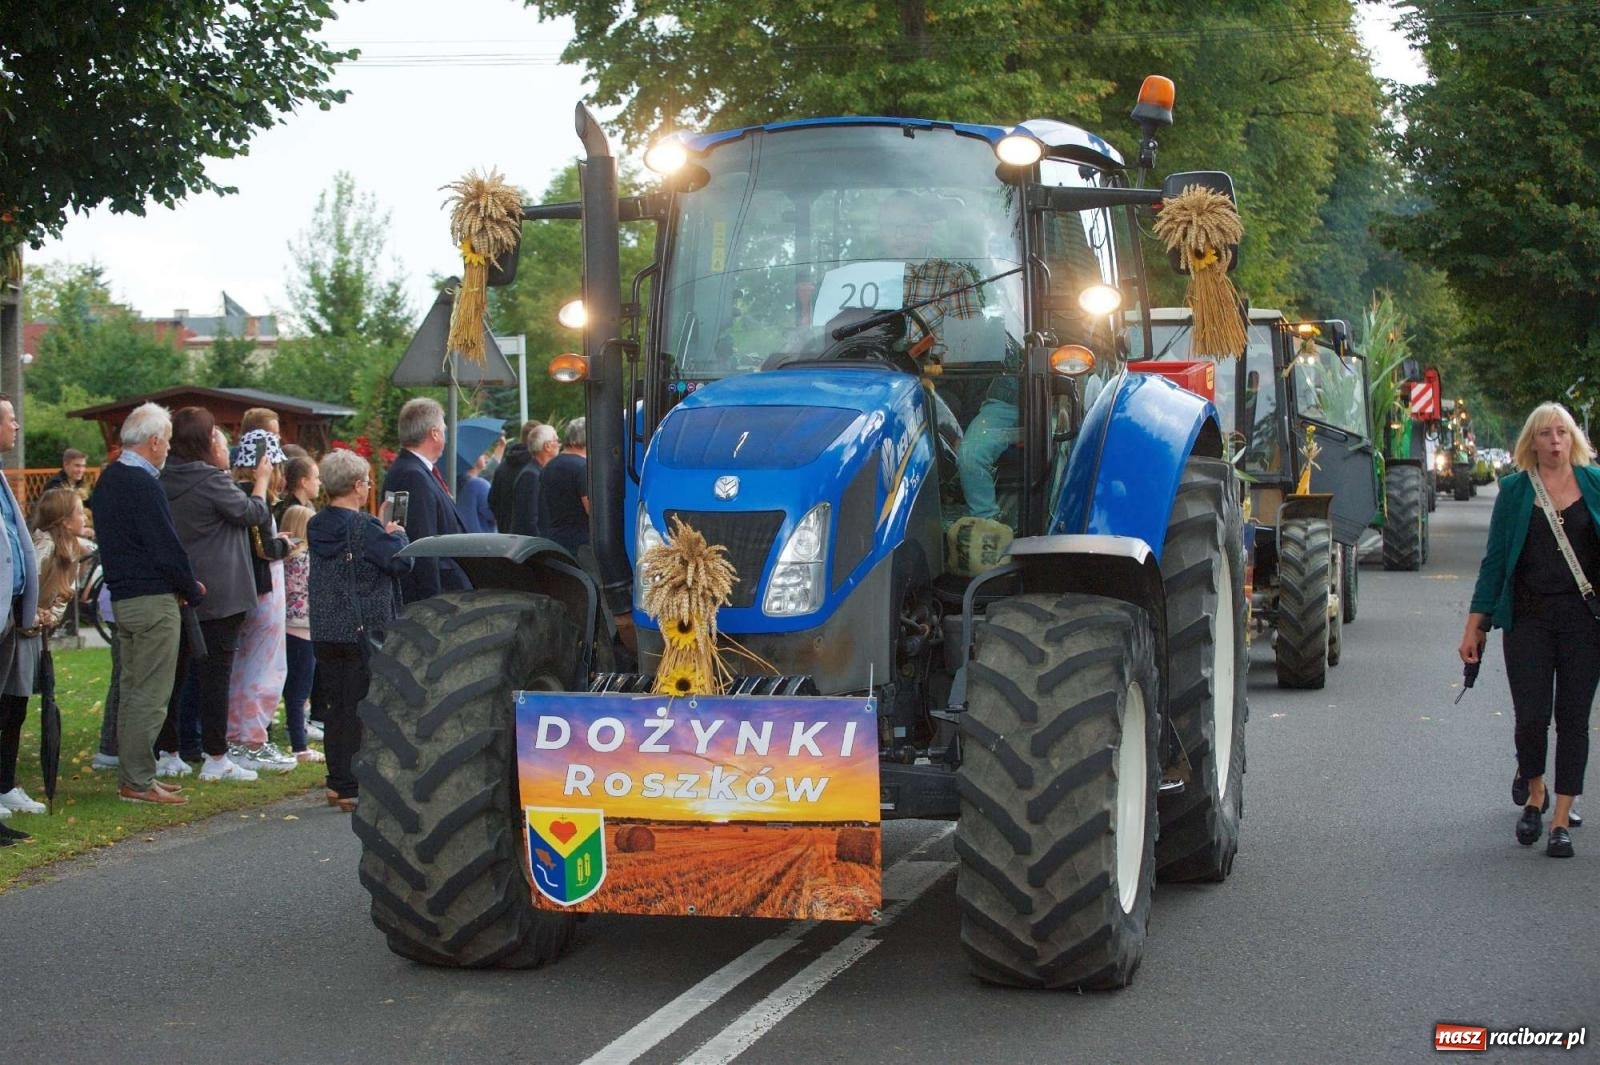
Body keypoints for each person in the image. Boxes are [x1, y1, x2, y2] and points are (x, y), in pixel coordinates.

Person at [1461, 401, 1599, 858]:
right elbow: (1495, 562)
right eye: (1545, 434)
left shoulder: (1594, 484)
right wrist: (1476, 625)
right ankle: (1535, 792)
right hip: (1528, 620)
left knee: (1574, 719)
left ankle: (1561, 818)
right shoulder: (1515, 491)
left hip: (1583, 621)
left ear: (1572, 438)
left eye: (1562, 432)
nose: (1554, 441)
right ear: (1532, 442)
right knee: (1532, 716)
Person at [87, 402, 203, 806]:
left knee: (133, 688)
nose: (168, 447)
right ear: (154, 441)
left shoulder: (109, 478)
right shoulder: (142, 483)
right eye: (166, 440)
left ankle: (135, 773)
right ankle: (137, 780)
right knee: (151, 694)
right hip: (152, 599)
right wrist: (190, 586)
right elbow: (165, 545)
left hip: (124, 597)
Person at [161, 407, 272, 783]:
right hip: (222, 593)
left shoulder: (163, 478)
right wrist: (261, 481)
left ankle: (169, 751)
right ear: (205, 443)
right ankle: (216, 755)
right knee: (216, 678)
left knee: (174, 676)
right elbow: (252, 513)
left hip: (181, 588)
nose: (225, 445)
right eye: (219, 438)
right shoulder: (210, 480)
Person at [309, 449, 412, 811]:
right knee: (361, 708)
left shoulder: (316, 524)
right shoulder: (364, 526)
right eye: (367, 481)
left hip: (325, 627)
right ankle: (353, 786)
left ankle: (337, 782)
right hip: (361, 627)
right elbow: (401, 563)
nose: (369, 486)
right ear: (357, 486)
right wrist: (397, 534)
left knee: (336, 706)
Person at [0, 488, 93, 821]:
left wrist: (47, 617)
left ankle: (6, 784)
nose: (84, 517)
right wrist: (31, 613)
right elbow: (22, 586)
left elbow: (60, 600)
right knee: (7, 709)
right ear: (64, 520)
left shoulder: (71, 550)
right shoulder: (43, 547)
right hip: (16, 631)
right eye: (79, 512)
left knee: (16, 710)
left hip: (30, 634)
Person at [224, 428, 296, 773]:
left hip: (243, 589)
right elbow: (264, 548)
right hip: (264, 589)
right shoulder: (256, 498)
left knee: (240, 666)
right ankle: (251, 739)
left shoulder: (231, 493)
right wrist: (285, 545)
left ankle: (236, 735)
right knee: (263, 667)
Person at [381, 397, 469, 603]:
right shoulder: (412, 475)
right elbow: (422, 544)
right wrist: (431, 603)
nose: (445, 435)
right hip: (434, 597)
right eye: (444, 430)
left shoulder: (413, 470)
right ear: (434, 434)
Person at [0, 397, 40, 833]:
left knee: (9, 705)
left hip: (10, 611)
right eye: (11, 420)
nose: (16, 427)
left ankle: (3, 786)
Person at [277, 504, 322, 765]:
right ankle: (299, 746)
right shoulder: (308, 560)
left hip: (281, 625)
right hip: (303, 627)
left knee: (285, 689)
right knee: (299, 692)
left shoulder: (280, 559)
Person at [537, 418, 590, 554]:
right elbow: (591, 509)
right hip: (582, 543)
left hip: (555, 540)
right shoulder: (583, 467)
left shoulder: (548, 466)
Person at [488, 420, 541, 532]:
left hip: (505, 531)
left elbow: (492, 501)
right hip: (529, 535)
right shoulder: (536, 468)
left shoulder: (503, 467)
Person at [511, 423, 560, 537]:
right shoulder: (531, 476)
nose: (559, 445)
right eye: (556, 440)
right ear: (547, 446)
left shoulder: (538, 472)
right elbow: (529, 518)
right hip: (534, 542)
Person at [453, 451, 496, 533]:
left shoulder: (454, 482)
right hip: (482, 537)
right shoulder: (480, 484)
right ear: (472, 457)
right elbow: (495, 514)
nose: (486, 457)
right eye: (482, 454)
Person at [272, 455, 321, 525]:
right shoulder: (296, 514)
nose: (319, 483)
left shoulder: (285, 505)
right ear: (304, 482)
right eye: (316, 478)